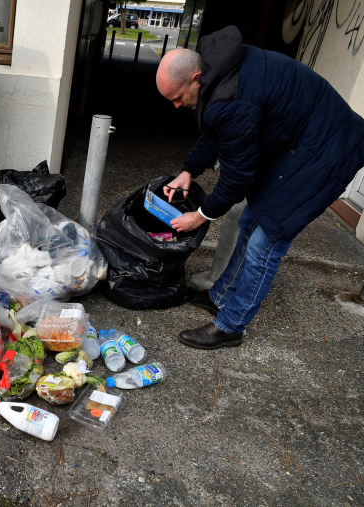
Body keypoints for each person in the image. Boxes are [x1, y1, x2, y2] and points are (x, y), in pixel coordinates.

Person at [155, 26, 364, 350]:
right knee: (251, 219)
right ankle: (220, 296)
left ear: (196, 77)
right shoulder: (218, 73)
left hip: (324, 153)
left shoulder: (231, 98)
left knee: (264, 246)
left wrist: (202, 214)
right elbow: (215, 130)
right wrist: (188, 171)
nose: (177, 106)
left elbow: (237, 176)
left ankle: (231, 326)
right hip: (302, 144)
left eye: (178, 97)